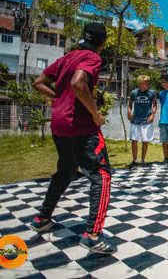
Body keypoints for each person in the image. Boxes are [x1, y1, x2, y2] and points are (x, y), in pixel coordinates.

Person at [30, 23, 117, 254]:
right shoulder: (91, 58)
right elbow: (78, 83)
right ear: (102, 43)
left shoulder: (67, 57)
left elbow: (38, 83)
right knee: (102, 174)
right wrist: (94, 113)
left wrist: (58, 99)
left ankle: (42, 218)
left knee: (67, 171)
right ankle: (93, 235)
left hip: (59, 125)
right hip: (82, 127)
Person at [128, 75, 157, 168]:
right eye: (144, 84)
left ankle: (143, 160)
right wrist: (129, 113)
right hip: (135, 120)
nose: (145, 85)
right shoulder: (134, 93)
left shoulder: (151, 93)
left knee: (145, 141)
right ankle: (134, 160)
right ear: (140, 84)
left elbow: (155, 105)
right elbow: (130, 105)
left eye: (147, 83)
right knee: (134, 141)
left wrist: (152, 115)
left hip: (146, 121)